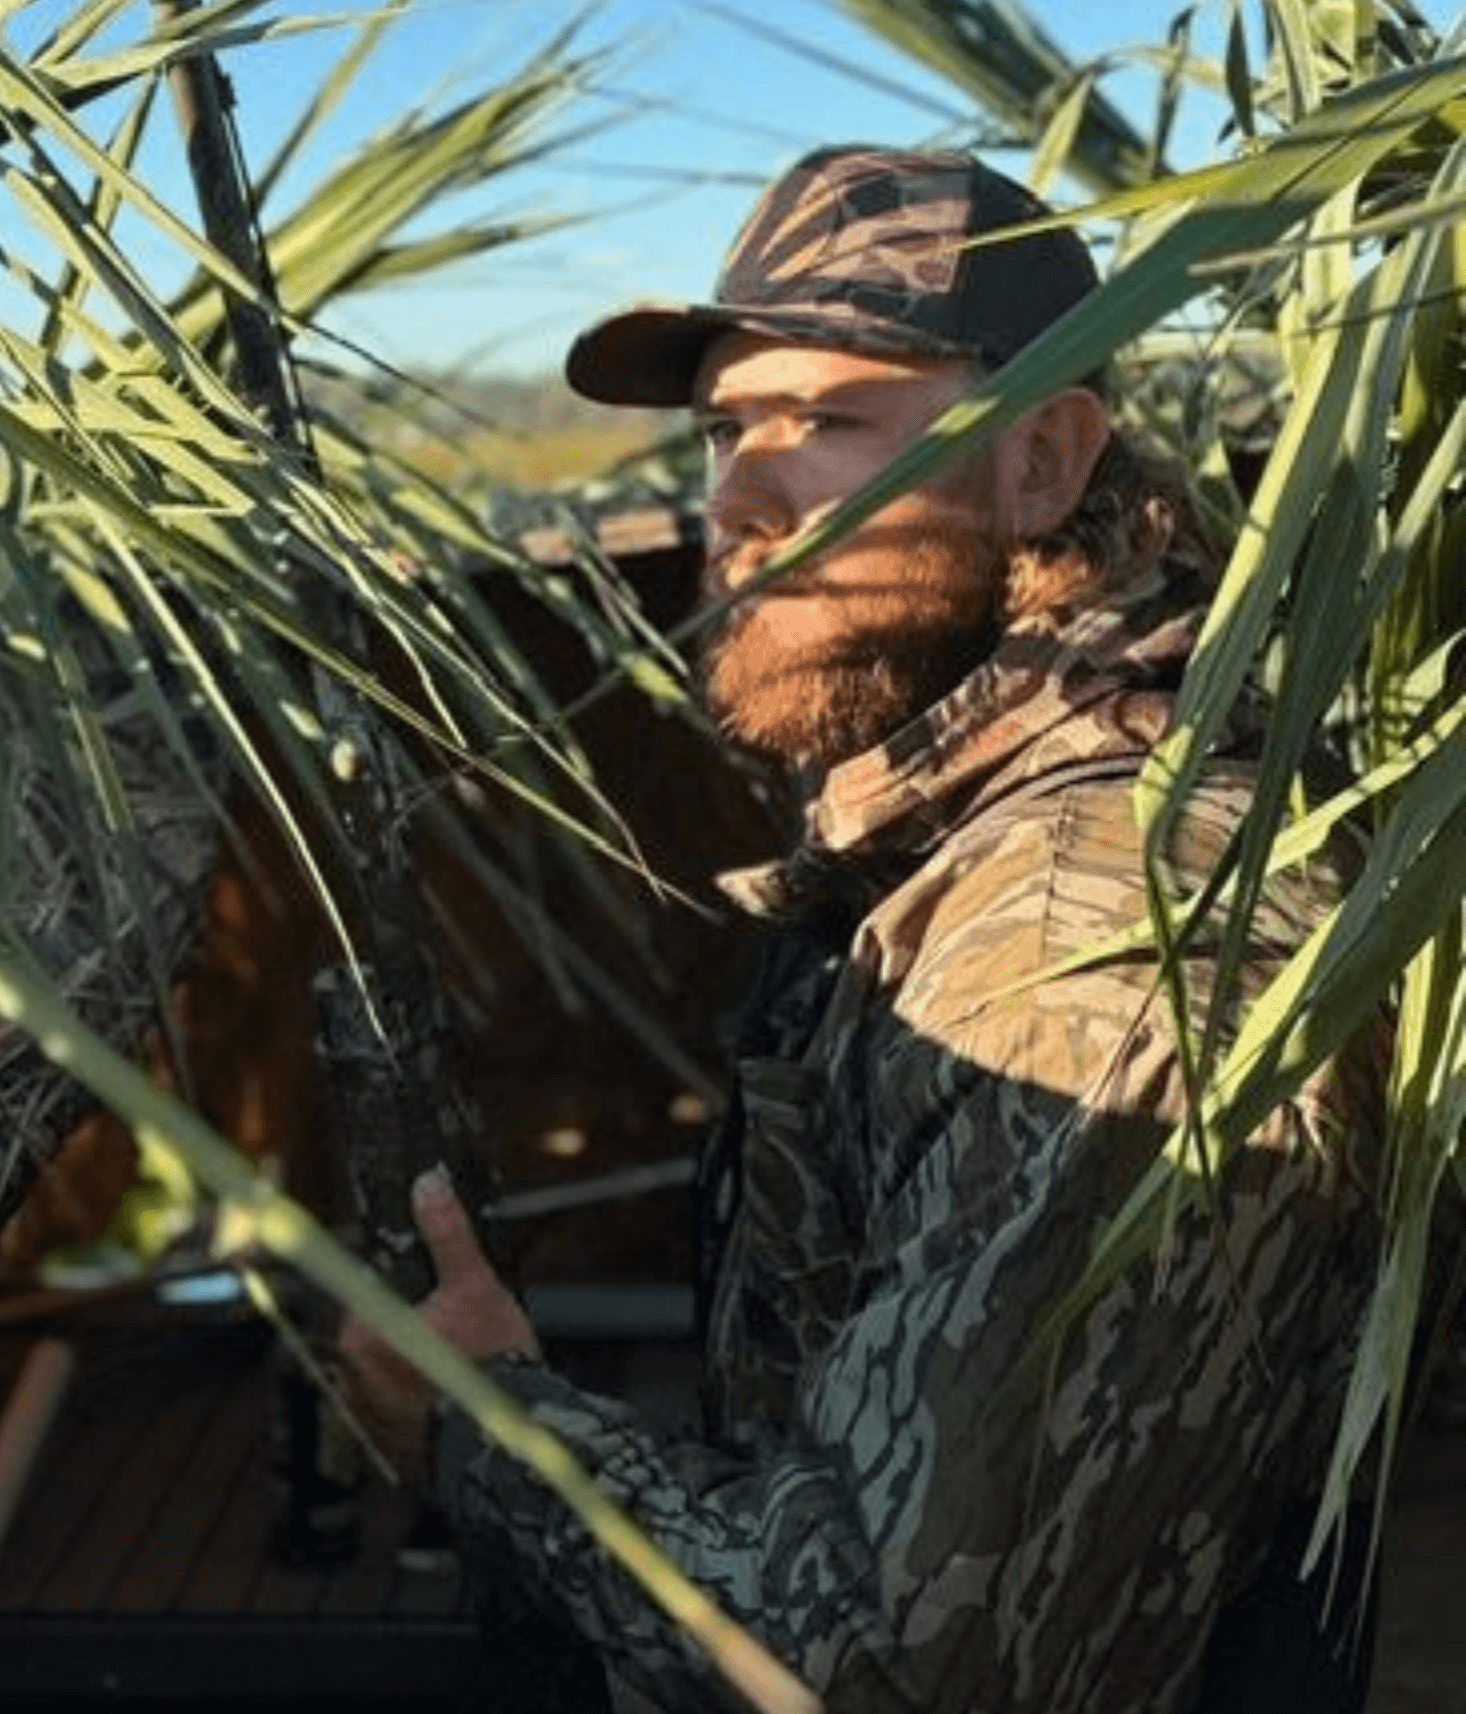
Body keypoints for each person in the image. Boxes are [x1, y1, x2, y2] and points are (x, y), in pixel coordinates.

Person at [338, 145, 1381, 1714]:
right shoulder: (963, 813)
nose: (738, 499)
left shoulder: (1086, 948)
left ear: (1042, 462)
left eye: (826, 421)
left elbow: (898, 1664)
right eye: (723, 431)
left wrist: (485, 1434)